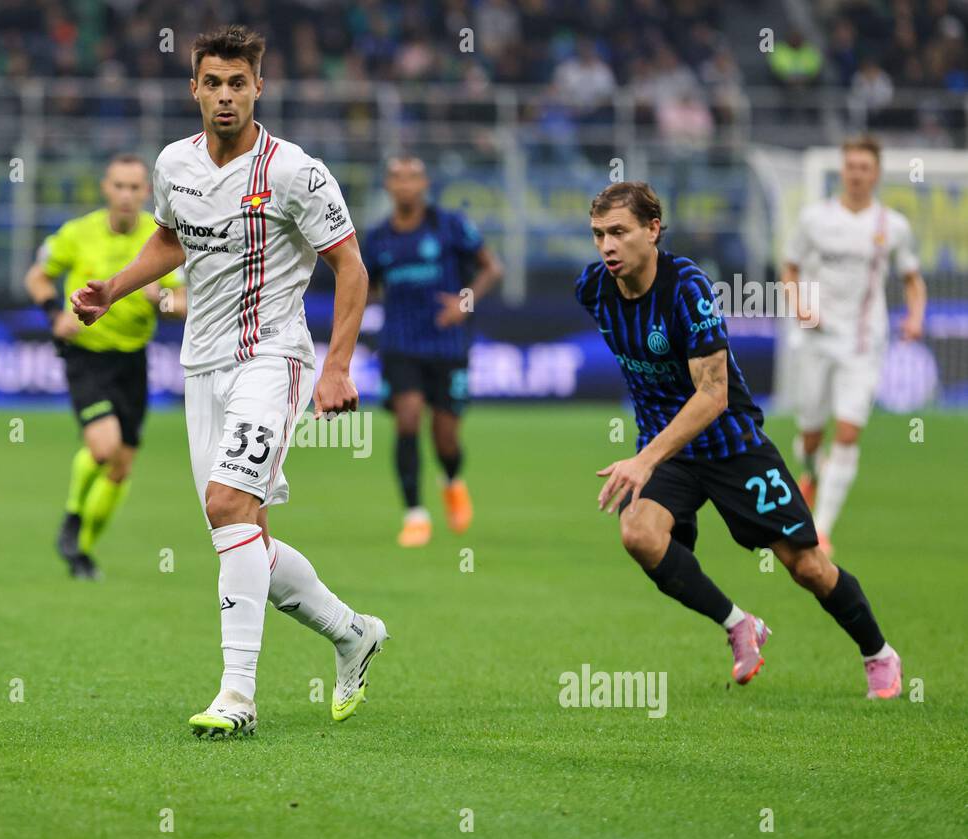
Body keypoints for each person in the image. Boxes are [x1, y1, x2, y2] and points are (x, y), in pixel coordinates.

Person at [70, 25, 391, 735]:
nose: (224, 96)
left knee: (225, 505)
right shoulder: (174, 163)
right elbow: (170, 236)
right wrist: (115, 290)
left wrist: (336, 366)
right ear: (194, 88)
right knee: (242, 534)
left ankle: (237, 698)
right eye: (211, 82)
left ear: (259, 88)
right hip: (201, 365)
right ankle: (353, 633)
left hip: (272, 360)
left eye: (236, 83)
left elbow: (352, 267)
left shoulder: (294, 172)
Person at [576, 181, 902, 699]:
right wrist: (654, 453)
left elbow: (713, 395)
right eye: (598, 234)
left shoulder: (688, 288)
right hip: (672, 454)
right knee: (639, 534)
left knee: (807, 566)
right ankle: (738, 624)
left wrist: (644, 458)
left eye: (619, 232)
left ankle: (878, 653)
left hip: (731, 446)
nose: (607, 246)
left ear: (653, 230)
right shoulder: (593, 289)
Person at [24, 155, 187, 580]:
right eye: (119, 186)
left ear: (147, 192)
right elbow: (37, 276)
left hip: (133, 359)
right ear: (105, 188)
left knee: (121, 466)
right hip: (87, 356)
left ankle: (81, 553)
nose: (127, 195)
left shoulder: (162, 238)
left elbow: (186, 301)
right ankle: (73, 518)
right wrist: (53, 314)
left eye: (135, 188)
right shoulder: (78, 234)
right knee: (103, 447)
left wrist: (162, 301)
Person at [781, 135, 925, 555]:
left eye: (864, 168)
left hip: (864, 343)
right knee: (810, 434)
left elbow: (912, 279)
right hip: (815, 340)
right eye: (851, 167)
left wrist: (915, 318)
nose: (857, 174)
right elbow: (788, 269)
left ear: (876, 174)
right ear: (842, 171)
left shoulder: (892, 226)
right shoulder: (813, 219)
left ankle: (821, 529)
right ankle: (810, 471)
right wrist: (801, 307)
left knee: (847, 431)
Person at [363, 155, 503, 547]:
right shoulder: (377, 238)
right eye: (397, 178)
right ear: (388, 187)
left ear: (425, 184)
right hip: (400, 344)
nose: (405, 185)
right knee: (407, 419)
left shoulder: (450, 226)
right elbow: (364, 283)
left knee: (446, 438)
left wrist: (465, 303)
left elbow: (492, 268)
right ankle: (415, 515)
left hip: (447, 345)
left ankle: (452, 481)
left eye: (413, 178)